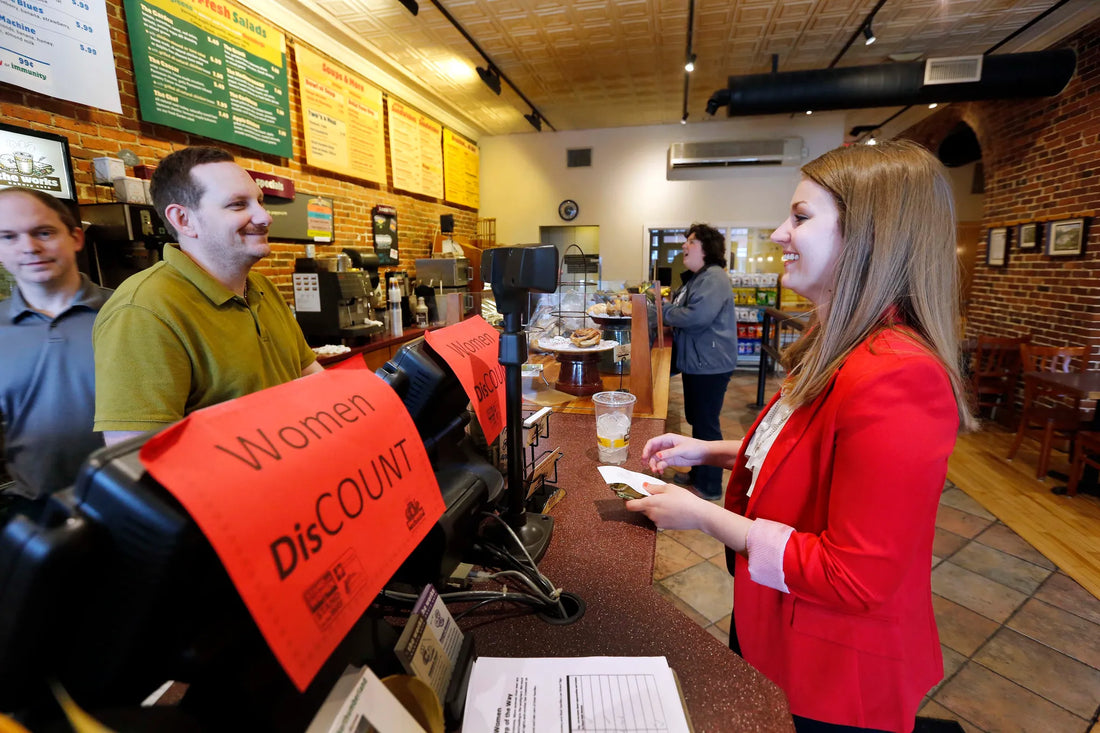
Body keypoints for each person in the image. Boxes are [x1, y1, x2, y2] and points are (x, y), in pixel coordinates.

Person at [630, 140, 976, 733]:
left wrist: (705, 515)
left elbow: (856, 575)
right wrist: (708, 449)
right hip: (777, 624)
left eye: (801, 216)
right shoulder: (838, 345)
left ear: (871, 234)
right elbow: (814, 458)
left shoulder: (899, 373)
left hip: (833, 669)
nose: (778, 232)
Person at [93, 147, 322, 446]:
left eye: (260, 202)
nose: (265, 217)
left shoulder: (262, 287)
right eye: (238, 205)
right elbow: (136, 461)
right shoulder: (142, 311)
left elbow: (315, 383)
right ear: (183, 220)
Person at [0, 187, 112, 510]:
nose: (29, 248)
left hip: (131, 501)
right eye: (8, 237)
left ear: (76, 238)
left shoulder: (128, 312)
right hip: (36, 509)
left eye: (44, 232)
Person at [652, 223, 738, 499]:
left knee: (705, 423)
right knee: (697, 420)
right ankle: (699, 472)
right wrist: (672, 309)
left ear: (706, 248)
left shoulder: (713, 277)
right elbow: (684, 309)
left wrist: (664, 311)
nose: (684, 246)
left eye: (691, 241)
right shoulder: (699, 277)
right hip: (699, 362)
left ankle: (710, 484)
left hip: (709, 364)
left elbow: (695, 317)